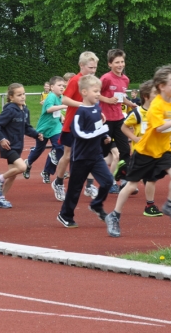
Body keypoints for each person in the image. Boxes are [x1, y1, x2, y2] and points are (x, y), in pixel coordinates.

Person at [105, 65, 171, 237]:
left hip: (164, 151)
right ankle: (114, 215)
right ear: (162, 87)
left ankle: (170, 205)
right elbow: (160, 127)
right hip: (145, 152)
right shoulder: (156, 106)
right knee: (131, 186)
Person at [57, 75, 112, 227]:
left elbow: (97, 128)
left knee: (108, 181)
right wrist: (100, 132)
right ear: (84, 92)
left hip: (96, 156)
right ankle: (65, 215)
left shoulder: (97, 108)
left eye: (99, 91)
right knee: (75, 188)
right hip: (80, 157)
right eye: (95, 91)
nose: (98, 94)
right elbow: (79, 133)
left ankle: (96, 204)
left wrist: (104, 135)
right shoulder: (80, 112)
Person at [51, 52, 99, 201]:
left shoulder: (94, 82)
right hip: (72, 125)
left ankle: (89, 185)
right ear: (81, 66)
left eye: (95, 67)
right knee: (68, 155)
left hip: (89, 124)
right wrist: (82, 105)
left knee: (92, 155)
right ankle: (58, 182)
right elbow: (65, 99)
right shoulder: (75, 80)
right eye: (90, 67)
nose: (93, 70)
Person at [0, 83, 43, 208]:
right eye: (19, 95)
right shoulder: (9, 110)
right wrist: (2, 139)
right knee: (22, 167)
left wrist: (37, 135)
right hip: (8, 146)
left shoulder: (25, 110)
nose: (23, 97)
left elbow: (27, 127)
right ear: (11, 97)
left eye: (23, 94)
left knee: (13, 174)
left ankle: (1, 198)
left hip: (18, 145)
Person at [121, 80, 162, 216]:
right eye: (155, 93)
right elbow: (124, 127)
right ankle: (116, 212)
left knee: (151, 179)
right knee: (132, 185)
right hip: (139, 153)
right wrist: (134, 138)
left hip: (153, 152)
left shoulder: (158, 111)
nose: (158, 95)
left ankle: (150, 205)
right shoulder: (137, 113)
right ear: (146, 96)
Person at [99, 49, 136, 191]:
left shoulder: (125, 79)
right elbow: (96, 94)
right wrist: (107, 99)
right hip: (105, 120)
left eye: (122, 62)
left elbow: (121, 97)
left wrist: (130, 103)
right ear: (110, 64)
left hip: (119, 118)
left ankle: (125, 180)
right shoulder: (106, 78)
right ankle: (105, 181)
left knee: (125, 150)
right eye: (117, 62)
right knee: (103, 152)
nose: (120, 65)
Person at [24, 76, 66, 187]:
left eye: (63, 85)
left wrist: (61, 116)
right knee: (39, 149)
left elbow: (56, 111)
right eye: (59, 85)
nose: (62, 87)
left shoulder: (61, 96)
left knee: (60, 146)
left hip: (55, 128)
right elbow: (49, 109)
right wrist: (63, 106)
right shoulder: (51, 96)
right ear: (52, 87)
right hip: (44, 128)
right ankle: (28, 163)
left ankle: (48, 169)